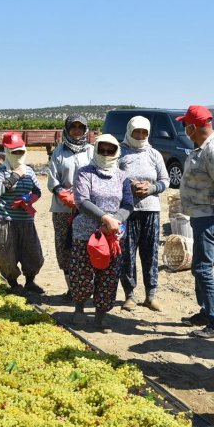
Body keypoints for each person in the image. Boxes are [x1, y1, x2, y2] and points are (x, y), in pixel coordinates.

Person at [176, 105, 214, 339]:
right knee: (198, 267)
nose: (184, 130)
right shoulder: (202, 147)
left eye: (184, 125)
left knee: (202, 268)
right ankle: (206, 312)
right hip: (200, 215)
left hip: (210, 216)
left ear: (193, 127)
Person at [71, 134, 134, 332]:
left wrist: (115, 221)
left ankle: (100, 317)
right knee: (83, 273)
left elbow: (128, 204)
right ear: (96, 150)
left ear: (117, 152)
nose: (106, 153)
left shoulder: (122, 177)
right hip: (86, 233)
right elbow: (82, 201)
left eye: (110, 150)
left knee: (108, 276)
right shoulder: (84, 173)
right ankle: (79, 309)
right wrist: (105, 218)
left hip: (113, 235)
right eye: (102, 149)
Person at [117, 116, 169, 312]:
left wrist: (152, 188)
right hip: (127, 211)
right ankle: (129, 295)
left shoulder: (154, 154)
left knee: (150, 253)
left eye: (143, 132)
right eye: (136, 132)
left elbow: (165, 180)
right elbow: (113, 177)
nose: (140, 136)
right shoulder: (121, 153)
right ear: (129, 131)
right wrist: (128, 185)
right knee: (127, 254)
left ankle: (151, 295)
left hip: (151, 210)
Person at [0, 132, 45, 294]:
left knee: (32, 253)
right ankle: (13, 284)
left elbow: (38, 191)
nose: (18, 155)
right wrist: (15, 176)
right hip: (5, 219)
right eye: (14, 152)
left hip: (26, 219)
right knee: (6, 254)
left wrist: (30, 199)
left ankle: (30, 281)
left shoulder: (29, 171)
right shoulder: (0, 171)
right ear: (6, 151)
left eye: (20, 151)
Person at [47, 114, 94, 299]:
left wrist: (83, 197)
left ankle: (86, 287)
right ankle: (71, 289)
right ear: (67, 129)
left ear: (85, 130)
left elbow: (96, 174)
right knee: (64, 248)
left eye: (80, 127)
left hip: (87, 209)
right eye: (73, 127)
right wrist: (64, 194)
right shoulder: (59, 152)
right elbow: (52, 179)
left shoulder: (92, 151)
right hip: (62, 208)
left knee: (85, 247)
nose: (76, 130)